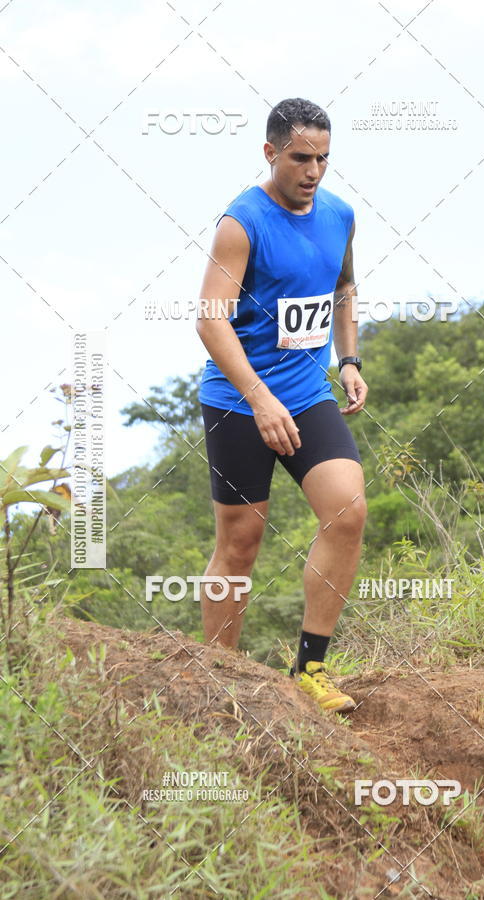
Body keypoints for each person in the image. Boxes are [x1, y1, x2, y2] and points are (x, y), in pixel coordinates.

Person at [196, 97, 367, 713]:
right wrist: (259, 398)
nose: (313, 171)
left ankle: (309, 669)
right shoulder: (241, 224)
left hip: (306, 393)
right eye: (300, 158)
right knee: (241, 542)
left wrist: (349, 360)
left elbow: (343, 288)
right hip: (238, 400)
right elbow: (210, 322)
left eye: (323, 158)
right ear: (271, 153)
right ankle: (220, 678)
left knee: (347, 512)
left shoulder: (340, 215)